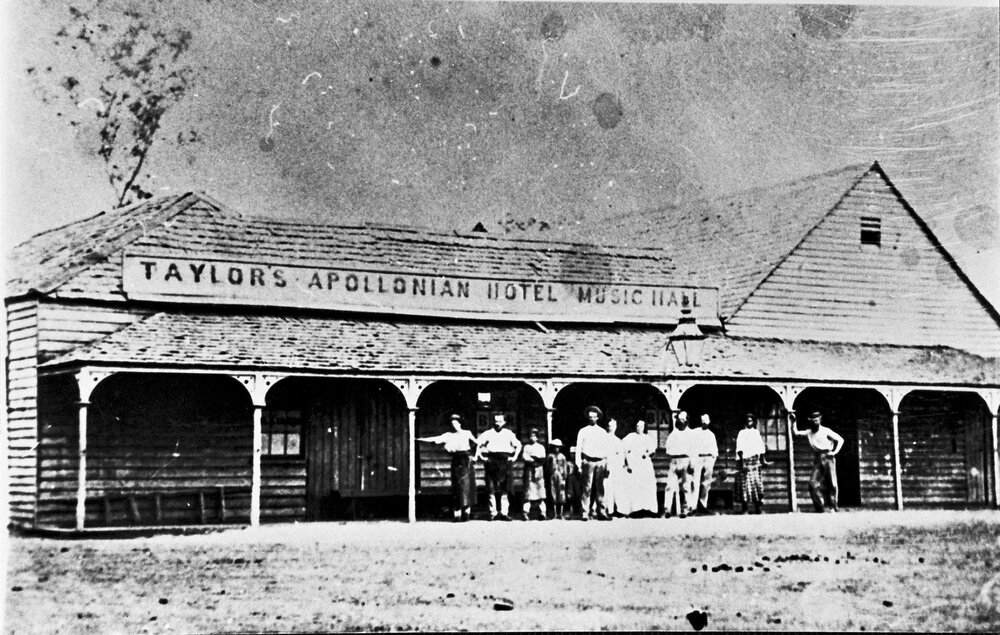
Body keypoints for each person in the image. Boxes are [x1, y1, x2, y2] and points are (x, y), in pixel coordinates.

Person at [417, 413, 478, 522]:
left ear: (460, 423)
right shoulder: (448, 435)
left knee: (467, 487)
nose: (454, 425)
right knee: (457, 487)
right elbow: (435, 439)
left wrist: (476, 456)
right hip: (456, 461)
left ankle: (466, 514)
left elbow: (478, 443)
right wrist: (419, 439)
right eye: (452, 423)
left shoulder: (467, 433)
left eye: (456, 423)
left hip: (466, 462)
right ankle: (457, 515)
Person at [792, 410, 844, 512]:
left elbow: (840, 440)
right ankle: (820, 507)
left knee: (832, 483)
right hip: (818, 458)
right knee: (812, 483)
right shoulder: (809, 432)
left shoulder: (826, 431)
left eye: (817, 420)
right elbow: (796, 433)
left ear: (820, 420)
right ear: (810, 421)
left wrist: (834, 452)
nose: (815, 422)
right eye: (813, 421)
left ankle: (833, 506)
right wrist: (794, 421)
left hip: (828, 457)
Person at [475, 412, 522, 520]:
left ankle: (504, 513)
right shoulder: (488, 433)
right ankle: (493, 513)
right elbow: (478, 444)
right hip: (491, 460)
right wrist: (481, 457)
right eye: (496, 421)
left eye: (500, 421)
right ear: (493, 421)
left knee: (505, 489)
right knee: (491, 488)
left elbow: (518, 445)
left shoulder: (508, 433)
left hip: (505, 461)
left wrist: (514, 457)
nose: (498, 423)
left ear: (504, 422)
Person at [575, 405, 612, 521]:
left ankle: (602, 512)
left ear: (598, 418)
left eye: (594, 417)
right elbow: (578, 448)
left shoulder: (602, 432)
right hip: (588, 461)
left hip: (600, 462)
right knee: (587, 488)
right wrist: (578, 464)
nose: (592, 419)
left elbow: (607, 449)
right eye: (590, 417)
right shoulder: (583, 431)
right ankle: (585, 512)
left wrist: (607, 465)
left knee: (600, 488)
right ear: (588, 418)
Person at [617, 419, 658, 517]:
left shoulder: (648, 438)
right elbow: (622, 450)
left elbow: (652, 451)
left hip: (645, 466)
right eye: (637, 426)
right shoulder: (630, 437)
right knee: (635, 486)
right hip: (634, 465)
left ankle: (648, 509)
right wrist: (626, 464)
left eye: (641, 426)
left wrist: (647, 454)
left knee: (647, 486)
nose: (639, 428)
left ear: (644, 427)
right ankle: (636, 509)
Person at [662, 410, 695, 518]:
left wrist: (692, 463)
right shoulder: (673, 434)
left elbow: (694, 450)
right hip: (674, 461)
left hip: (686, 460)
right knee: (670, 486)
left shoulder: (690, 434)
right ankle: (667, 509)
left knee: (686, 486)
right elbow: (668, 448)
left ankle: (686, 509)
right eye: (679, 419)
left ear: (686, 420)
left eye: (683, 419)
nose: (681, 421)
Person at [735, 413, 767, 514]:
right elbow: (739, 448)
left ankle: (757, 508)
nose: (749, 422)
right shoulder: (742, 433)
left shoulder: (756, 433)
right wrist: (742, 462)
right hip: (745, 461)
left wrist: (763, 460)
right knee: (745, 485)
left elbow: (761, 448)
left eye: (751, 420)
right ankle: (745, 508)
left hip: (755, 461)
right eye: (748, 421)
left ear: (753, 422)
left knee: (756, 485)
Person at [691, 413, 719, 515]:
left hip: (708, 458)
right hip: (698, 457)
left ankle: (703, 505)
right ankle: (693, 506)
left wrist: (712, 460)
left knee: (706, 483)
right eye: (703, 422)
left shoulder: (711, 435)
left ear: (709, 423)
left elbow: (715, 451)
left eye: (706, 422)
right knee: (695, 482)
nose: (704, 424)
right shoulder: (695, 432)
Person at [520, 428, 548, 520]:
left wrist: (535, 459)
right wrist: (531, 459)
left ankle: (543, 513)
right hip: (529, 471)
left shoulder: (541, 447)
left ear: (537, 437)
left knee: (540, 493)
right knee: (528, 493)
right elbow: (525, 457)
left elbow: (542, 457)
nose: (533, 437)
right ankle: (525, 513)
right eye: (531, 436)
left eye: (535, 436)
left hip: (539, 470)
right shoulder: (526, 447)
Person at [603, 418, 624, 517]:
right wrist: (606, 465)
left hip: (617, 467)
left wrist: (621, 466)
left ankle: (618, 509)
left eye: (614, 426)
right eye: (610, 426)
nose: (612, 428)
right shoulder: (604, 439)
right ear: (607, 427)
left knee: (617, 488)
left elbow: (621, 455)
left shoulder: (618, 441)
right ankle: (609, 510)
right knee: (607, 488)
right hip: (607, 466)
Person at [544, 439, 568, 520]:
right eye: (555, 447)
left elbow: (565, 467)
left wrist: (564, 477)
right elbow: (547, 467)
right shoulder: (550, 456)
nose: (556, 448)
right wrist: (548, 475)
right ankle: (554, 514)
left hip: (560, 476)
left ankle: (560, 513)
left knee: (561, 493)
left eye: (558, 447)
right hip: (552, 475)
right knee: (553, 493)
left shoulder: (562, 457)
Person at [565, 446, 583, 519]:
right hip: (570, 480)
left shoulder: (579, 463)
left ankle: (577, 512)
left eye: (574, 454)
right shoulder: (568, 463)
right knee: (569, 496)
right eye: (572, 453)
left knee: (578, 495)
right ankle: (568, 512)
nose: (573, 455)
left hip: (577, 480)